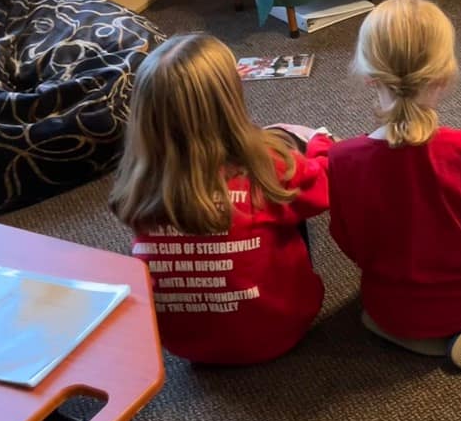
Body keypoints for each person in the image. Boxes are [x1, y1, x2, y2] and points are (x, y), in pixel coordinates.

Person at [109, 34, 332, 366]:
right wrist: (320, 144)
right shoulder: (268, 166)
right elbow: (325, 188)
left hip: (186, 346)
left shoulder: (136, 183)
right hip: (279, 332)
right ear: (229, 102)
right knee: (288, 198)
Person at [328, 0, 461, 370]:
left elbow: (349, 243)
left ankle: (405, 330)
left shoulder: (341, 159)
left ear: (369, 76)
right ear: (445, 75)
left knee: (380, 309)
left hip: (388, 303)